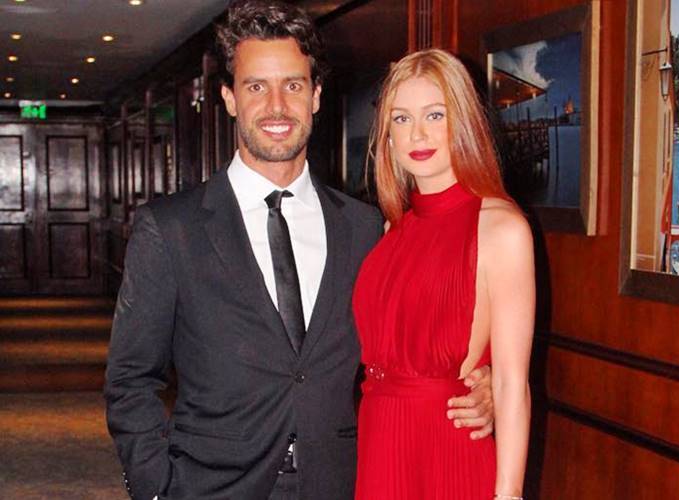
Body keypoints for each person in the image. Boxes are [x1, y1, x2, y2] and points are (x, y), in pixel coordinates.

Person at [104, 3, 494, 500]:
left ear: (315, 96)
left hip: (340, 481)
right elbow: (130, 378)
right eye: (256, 87)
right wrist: (155, 486)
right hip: (210, 487)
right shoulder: (170, 229)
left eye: (292, 85)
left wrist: (483, 382)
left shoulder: (366, 228)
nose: (276, 106)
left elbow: (410, 343)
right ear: (229, 98)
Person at [352, 48, 535, 500]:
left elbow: (512, 383)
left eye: (435, 114)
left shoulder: (501, 228)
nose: (417, 133)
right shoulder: (393, 228)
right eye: (401, 118)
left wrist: (508, 495)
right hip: (380, 448)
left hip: (447, 452)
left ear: (464, 121)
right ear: (387, 135)